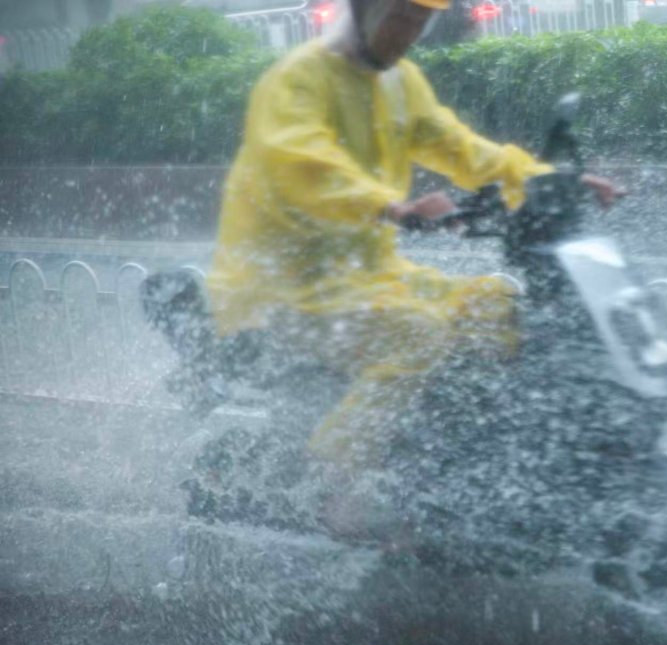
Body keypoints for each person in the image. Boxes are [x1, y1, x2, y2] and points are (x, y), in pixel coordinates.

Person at [207, 0, 623, 470]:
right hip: (280, 290)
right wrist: (392, 208)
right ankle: (332, 478)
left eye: (420, 23)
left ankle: (461, 465)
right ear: (363, 11)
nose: (408, 34)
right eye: (399, 18)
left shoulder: (399, 84)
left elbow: (462, 148)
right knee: (418, 336)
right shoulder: (298, 79)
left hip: (369, 279)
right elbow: (302, 164)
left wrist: (546, 178)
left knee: (501, 309)